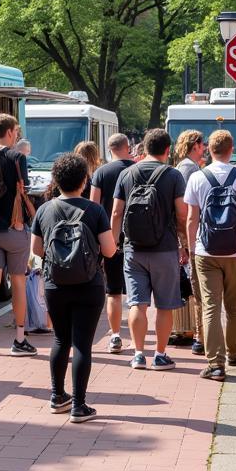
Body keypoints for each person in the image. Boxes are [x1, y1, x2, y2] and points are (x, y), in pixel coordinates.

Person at [32, 152, 117, 422]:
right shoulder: (95, 211)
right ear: (84, 179)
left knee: (60, 339)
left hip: (55, 284)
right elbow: (110, 250)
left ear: (56, 180)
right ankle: (79, 405)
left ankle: (57, 396)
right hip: (89, 283)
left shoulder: (45, 209)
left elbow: (36, 250)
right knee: (82, 343)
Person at [184, 129, 236, 381]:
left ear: (209, 150)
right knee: (235, 305)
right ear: (231, 149)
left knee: (210, 306)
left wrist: (192, 247)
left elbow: (192, 218)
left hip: (206, 251)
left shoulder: (197, 178)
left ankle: (215, 364)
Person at [111, 128, 187, 371]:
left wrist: (114, 243)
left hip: (133, 249)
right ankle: (160, 355)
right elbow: (182, 214)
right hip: (165, 249)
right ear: (167, 149)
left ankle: (138, 354)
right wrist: (183, 243)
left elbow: (116, 212)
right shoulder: (174, 176)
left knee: (137, 303)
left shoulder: (126, 174)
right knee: (165, 305)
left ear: (143, 148)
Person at [0, 113, 36, 356]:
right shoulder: (16, 157)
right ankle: (20, 339)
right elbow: (22, 189)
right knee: (19, 282)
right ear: (10, 132)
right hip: (14, 228)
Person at [89, 133, 135, 353]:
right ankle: (139, 339)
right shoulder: (138, 169)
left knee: (113, 291)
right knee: (139, 290)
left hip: (108, 237)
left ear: (109, 149)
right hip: (139, 237)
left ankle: (115, 335)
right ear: (129, 147)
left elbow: (93, 206)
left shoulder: (101, 172)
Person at [173, 129, 206, 355]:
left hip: (186, 237)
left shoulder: (185, 167)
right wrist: (184, 244)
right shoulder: (188, 169)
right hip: (189, 238)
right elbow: (183, 212)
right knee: (195, 287)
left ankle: (193, 331)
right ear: (195, 145)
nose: (204, 148)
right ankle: (195, 334)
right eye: (202, 144)